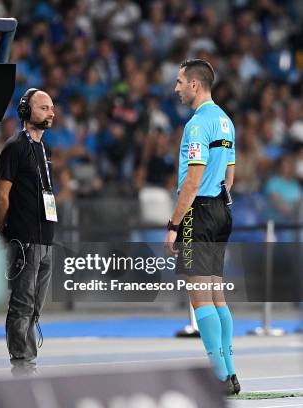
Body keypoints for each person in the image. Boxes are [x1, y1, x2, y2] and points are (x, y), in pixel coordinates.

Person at [164, 59, 239, 395]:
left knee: (200, 298)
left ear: (195, 84)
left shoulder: (197, 125)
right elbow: (230, 175)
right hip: (223, 208)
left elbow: (192, 180)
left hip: (200, 210)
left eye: (180, 82)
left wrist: (174, 225)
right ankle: (231, 370)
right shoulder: (226, 121)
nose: (176, 88)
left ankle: (221, 377)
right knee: (217, 295)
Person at [0, 88, 57, 376]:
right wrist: (3, 229)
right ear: (25, 111)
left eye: (51, 108)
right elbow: (1, 196)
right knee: (22, 304)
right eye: (43, 108)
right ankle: (22, 363)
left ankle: (26, 359)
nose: (50, 112)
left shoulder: (45, 150)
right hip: (24, 239)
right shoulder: (14, 147)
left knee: (35, 307)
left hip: (45, 240)